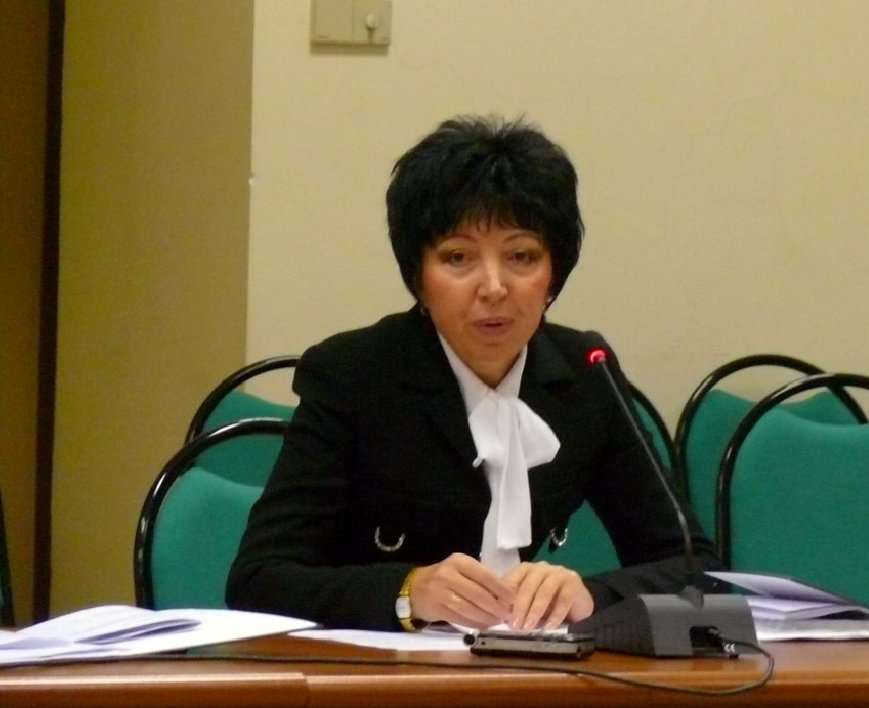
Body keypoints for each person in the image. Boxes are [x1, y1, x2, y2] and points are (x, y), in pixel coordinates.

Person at [226, 115, 719, 632]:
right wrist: (407, 592)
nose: (494, 287)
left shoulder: (585, 373)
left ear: (554, 272)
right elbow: (259, 579)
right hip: (374, 667)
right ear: (418, 276)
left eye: (521, 256)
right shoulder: (354, 374)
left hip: (526, 665)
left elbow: (698, 569)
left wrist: (589, 594)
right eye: (458, 257)